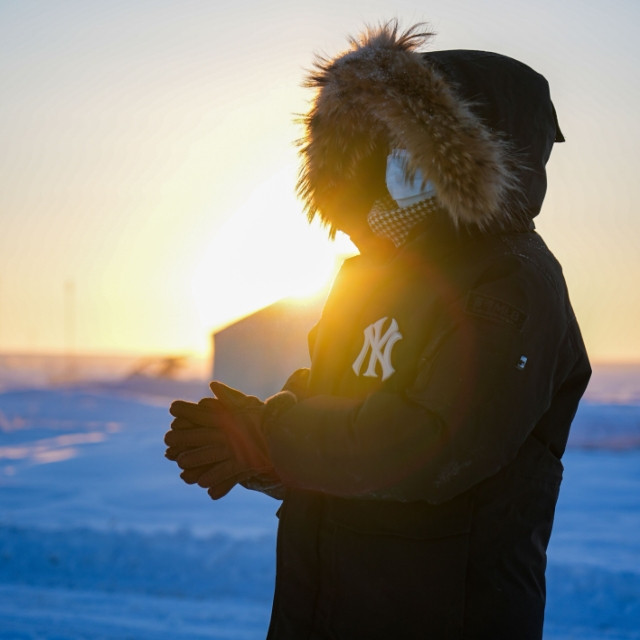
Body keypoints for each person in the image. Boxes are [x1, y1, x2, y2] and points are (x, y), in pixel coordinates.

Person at [164, 21, 591, 640]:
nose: (386, 172)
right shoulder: (369, 279)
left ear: (466, 160)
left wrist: (270, 435)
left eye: (407, 152)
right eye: (377, 150)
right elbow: (327, 411)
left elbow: (430, 445)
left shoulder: (512, 283)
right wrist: (250, 444)